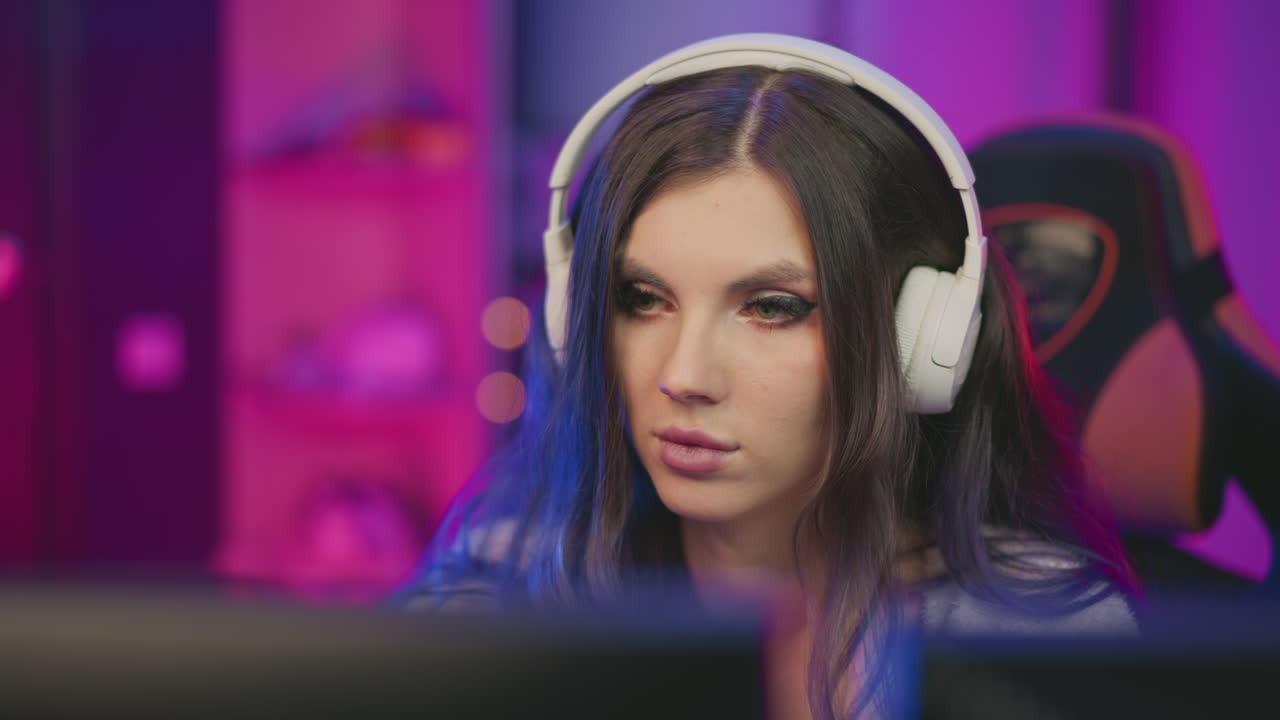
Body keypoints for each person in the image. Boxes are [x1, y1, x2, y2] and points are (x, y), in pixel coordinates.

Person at [399, 34, 1136, 719]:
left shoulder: (1041, 639)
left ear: (921, 339)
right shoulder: (493, 594)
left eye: (773, 307)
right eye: (642, 299)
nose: (684, 376)